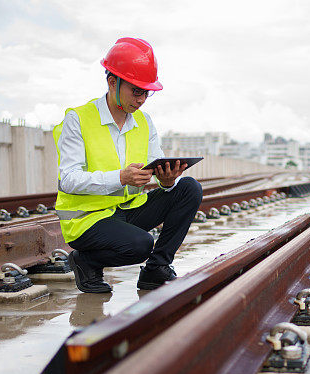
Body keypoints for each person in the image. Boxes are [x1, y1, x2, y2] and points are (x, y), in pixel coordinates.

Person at [53, 37, 202, 293]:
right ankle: (85, 261)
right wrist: (120, 177)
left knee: (189, 188)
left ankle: (156, 269)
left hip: (127, 210)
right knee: (141, 245)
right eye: (136, 90)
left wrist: (167, 181)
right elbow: (67, 179)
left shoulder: (144, 122)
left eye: (147, 92)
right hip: (88, 219)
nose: (142, 99)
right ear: (112, 82)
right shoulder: (78, 119)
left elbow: (158, 165)